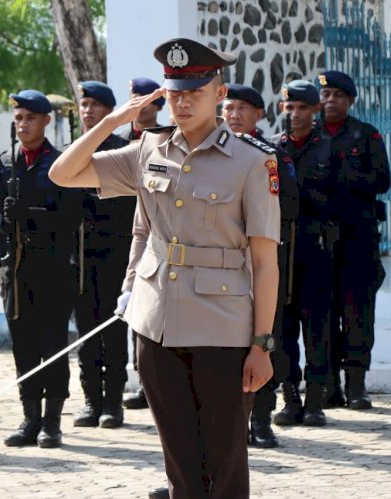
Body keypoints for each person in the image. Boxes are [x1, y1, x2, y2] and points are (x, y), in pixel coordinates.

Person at [49, 38, 279, 499]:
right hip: (156, 324)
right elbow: (64, 173)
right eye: (175, 92)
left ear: (219, 92)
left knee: (226, 460)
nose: (183, 101)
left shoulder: (253, 162)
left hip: (223, 327)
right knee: (179, 461)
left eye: (194, 91)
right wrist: (112, 123)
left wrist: (262, 344)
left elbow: (264, 260)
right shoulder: (147, 150)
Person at [0, 89, 82, 448]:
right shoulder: (3, 162)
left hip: (53, 267)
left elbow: (71, 216)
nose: (23, 124)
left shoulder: (62, 163)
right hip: (16, 268)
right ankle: (30, 418)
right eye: (18, 118)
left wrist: (30, 214)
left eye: (30, 118)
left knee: (53, 344)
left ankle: (53, 422)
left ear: (46, 120)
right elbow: (0, 214)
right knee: (24, 345)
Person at [222, 83, 300, 445]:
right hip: (219, 266)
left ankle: (262, 419)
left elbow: (289, 206)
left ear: (258, 115)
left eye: (242, 109)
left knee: (267, 337)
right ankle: (231, 421)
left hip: (259, 263)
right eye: (228, 107)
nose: (233, 115)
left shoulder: (270, 154)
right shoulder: (207, 151)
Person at [317, 70, 390, 410]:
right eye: (326, 95)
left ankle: (356, 386)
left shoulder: (366, 135)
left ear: (350, 101)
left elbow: (382, 180)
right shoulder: (307, 133)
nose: (330, 101)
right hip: (319, 241)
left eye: (337, 96)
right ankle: (328, 386)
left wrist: (343, 176)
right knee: (323, 314)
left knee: (358, 313)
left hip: (358, 240)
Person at [269, 80, 334, 428]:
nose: (294, 114)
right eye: (289, 107)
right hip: (281, 248)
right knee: (282, 328)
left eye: (302, 108)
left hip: (317, 247)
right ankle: (289, 396)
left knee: (317, 328)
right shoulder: (272, 149)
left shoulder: (329, 148)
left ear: (315, 110)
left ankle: (315, 401)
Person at [72, 81, 133, 429]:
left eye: (96, 104)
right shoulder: (72, 152)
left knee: (113, 332)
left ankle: (113, 403)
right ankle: (91, 400)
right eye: (84, 104)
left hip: (115, 254)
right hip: (80, 260)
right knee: (86, 333)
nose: (88, 110)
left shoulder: (123, 152)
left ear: (110, 111)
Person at [119, 77, 165, 411]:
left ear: (157, 107)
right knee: (127, 309)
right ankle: (139, 379)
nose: (136, 106)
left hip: (153, 240)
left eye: (143, 100)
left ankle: (154, 382)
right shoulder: (117, 142)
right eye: (132, 99)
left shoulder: (164, 142)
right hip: (120, 240)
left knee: (152, 311)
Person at [119, 77, 165, 142]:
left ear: (159, 107)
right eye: (136, 100)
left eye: (147, 101)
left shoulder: (167, 139)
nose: (140, 106)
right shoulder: (117, 142)